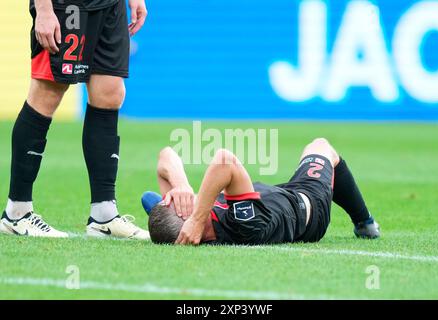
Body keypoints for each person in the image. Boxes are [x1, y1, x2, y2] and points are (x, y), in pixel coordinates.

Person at [0, 0, 149, 239]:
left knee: (110, 93)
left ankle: (104, 216)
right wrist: (44, 10)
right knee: (48, 92)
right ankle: (17, 213)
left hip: (109, 5)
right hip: (65, 5)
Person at [145, 138, 380, 245]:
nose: (187, 199)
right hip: (308, 206)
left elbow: (165, 157)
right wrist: (196, 218)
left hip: (277, 197)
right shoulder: (243, 225)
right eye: (183, 203)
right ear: (189, 224)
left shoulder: (187, 222)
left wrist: (182, 187)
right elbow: (225, 161)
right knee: (320, 146)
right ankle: (364, 223)